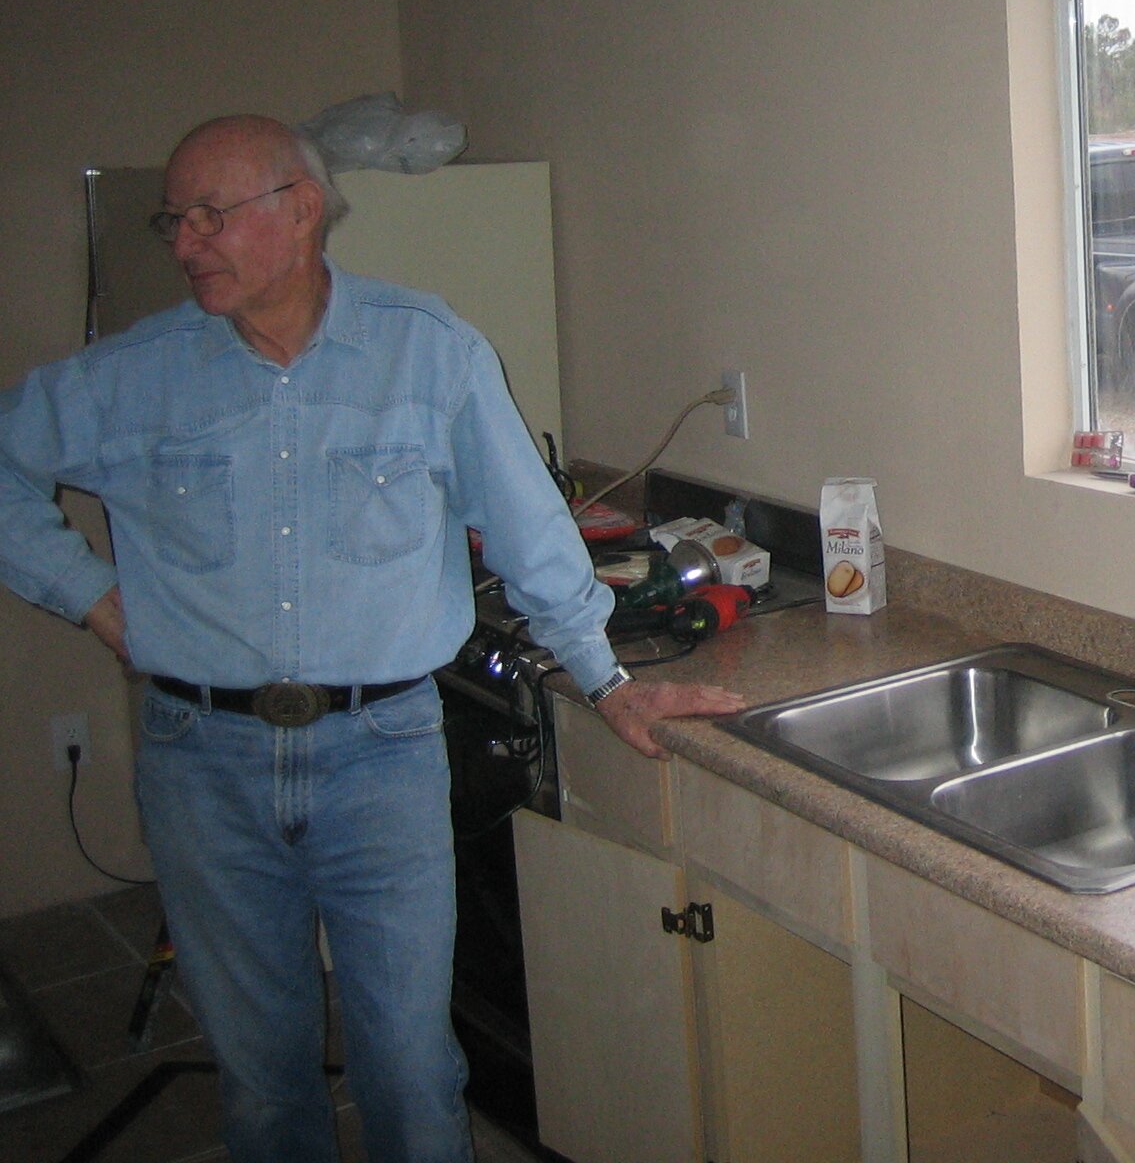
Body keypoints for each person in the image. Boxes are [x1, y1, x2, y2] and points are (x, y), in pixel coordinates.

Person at [0, 114, 742, 1163]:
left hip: (381, 757)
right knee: (264, 1080)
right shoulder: (133, 374)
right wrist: (91, 595)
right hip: (201, 762)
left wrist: (607, 680)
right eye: (175, 219)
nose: (185, 242)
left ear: (301, 210)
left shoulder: (428, 351)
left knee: (410, 1070)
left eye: (211, 214)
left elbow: (529, 529)